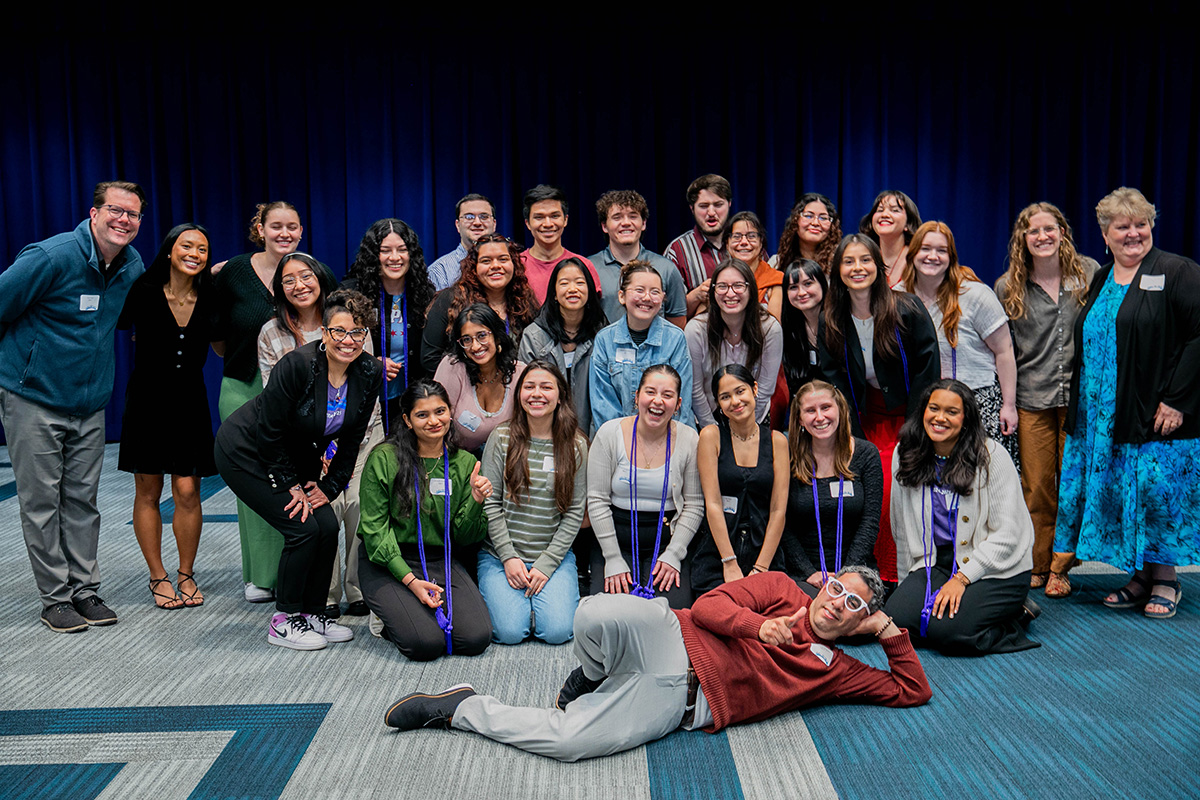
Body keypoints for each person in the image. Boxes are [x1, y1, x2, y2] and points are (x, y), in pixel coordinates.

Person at [383, 566, 931, 763]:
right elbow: (714, 604)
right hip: (672, 635)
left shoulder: (837, 667)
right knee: (592, 611)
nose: (838, 602)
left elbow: (912, 690)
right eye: (838, 589)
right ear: (825, 581)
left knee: (570, 743)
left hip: (684, 704)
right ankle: (593, 675)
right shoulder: (783, 588)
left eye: (855, 604)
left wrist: (888, 633)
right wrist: (755, 625)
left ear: (861, 619)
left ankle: (462, 707)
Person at [0, 181, 145, 632]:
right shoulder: (51, 256)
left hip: (89, 403)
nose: (125, 220)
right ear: (94, 213)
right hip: (33, 398)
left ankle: (85, 589)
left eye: (134, 215)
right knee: (42, 502)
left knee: (83, 501)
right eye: (116, 211)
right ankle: (55, 598)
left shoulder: (131, 265)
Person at [1055, 187, 1200, 620]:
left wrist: (1177, 400)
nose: (1133, 233)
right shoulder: (1101, 277)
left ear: (1152, 227)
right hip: (1103, 418)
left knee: (1155, 495)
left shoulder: (1177, 271)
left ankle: (1167, 579)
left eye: (1141, 224)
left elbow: (1198, 337)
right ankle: (1139, 577)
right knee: (1128, 495)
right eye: (1123, 226)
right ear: (1105, 233)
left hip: (1157, 413)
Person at [214, 291, 383, 650]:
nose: (348, 341)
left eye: (357, 333)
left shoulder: (370, 372)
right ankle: (284, 620)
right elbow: (270, 431)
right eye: (339, 332)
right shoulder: (297, 365)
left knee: (324, 523)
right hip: (246, 451)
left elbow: (352, 439)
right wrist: (289, 484)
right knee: (303, 528)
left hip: (293, 453)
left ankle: (313, 614)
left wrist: (330, 486)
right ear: (324, 333)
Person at [260, 252, 379, 619]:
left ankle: (360, 588)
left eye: (306, 275)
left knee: (359, 505)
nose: (300, 284)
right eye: (289, 279)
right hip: (303, 444)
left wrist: (338, 453)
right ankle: (322, 595)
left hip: (356, 441)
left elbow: (363, 397)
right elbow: (274, 406)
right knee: (322, 509)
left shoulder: (355, 323)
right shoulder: (274, 336)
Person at [819, 234, 940, 583]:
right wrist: (850, 436)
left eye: (865, 260)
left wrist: (916, 427)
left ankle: (893, 573)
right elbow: (834, 381)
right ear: (838, 270)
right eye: (849, 261)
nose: (858, 268)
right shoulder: (832, 318)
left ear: (878, 265)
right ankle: (856, 569)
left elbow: (927, 371)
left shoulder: (908, 308)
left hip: (909, 417)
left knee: (888, 487)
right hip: (861, 419)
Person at [886, 380, 1039, 654]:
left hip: (997, 567)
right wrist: (905, 585)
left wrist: (963, 578)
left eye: (951, 412)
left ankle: (1017, 616)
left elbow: (1009, 535)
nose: (940, 418)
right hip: (937, 561)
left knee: (949, 633)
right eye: (934, 408)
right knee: (899, 622)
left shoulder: (992, 456)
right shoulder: (905, 453)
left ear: (966, 418)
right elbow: (901, 525)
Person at [995, 203, 1099, 593]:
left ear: (1062, 232)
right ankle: (1037, 563)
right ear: (1023, 238)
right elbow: (1002, 349)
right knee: (1037, 485)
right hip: (1031, 398)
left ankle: (1061, 568)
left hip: (1080, 399)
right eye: (1033, 231)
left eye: (1049, 229)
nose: (1042, 236)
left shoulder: (1088, 274)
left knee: (1072, 484)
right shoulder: (1008, 286)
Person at [356, 379, 495, 660]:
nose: (434, 421)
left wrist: (476, 502)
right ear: (407, 420)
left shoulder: (464, 462)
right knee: (425, 645)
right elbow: (375, 532)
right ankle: (390, 613)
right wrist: (411, 582)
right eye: (422, 414)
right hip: (388, 561)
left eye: (440, 411)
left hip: (439, 560)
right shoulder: (384, 458)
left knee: (474, 639)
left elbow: (466, 537)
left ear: (450, 412)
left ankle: (410, 611)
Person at [117, 222, 216, 610]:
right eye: (187, 246)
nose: (194, 253)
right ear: (170, 250)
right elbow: (117, 325)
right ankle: (157, 576)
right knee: (149, 490)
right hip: (147, 402)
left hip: (191, 402)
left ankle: (186, 573)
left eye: (203, 249)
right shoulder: (141, 291)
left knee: (189, 490)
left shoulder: (210, 295)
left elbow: (224, 342)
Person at [211, 200, 305, 604]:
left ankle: (296, 570)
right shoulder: (233, 272)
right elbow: (216, 339)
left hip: (296, 394)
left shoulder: (309, 271)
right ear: (260, 229)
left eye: (293, 227)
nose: (285, 233)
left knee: (294, 477)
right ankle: (259, 576)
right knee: (252, 479)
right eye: (276, 226)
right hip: (243, 386)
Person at [479, 361, 588, 644]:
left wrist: (547, 563)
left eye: (546, 387)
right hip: (501, 556)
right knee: (510, 632)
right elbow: (490, 504)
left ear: (560, 396)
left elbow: (575, 511)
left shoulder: (575, 444)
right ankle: (519, 604)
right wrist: (508, 557)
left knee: (557, 632)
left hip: (552, 555)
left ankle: (534, 603)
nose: (536, 394)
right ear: (518, 395)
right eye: (529, 387)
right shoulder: (501, 438)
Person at [901, 221, 1020, 466]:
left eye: (941, 250)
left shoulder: (974, 294)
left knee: (979, 482)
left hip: (976, 403)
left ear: (951, 257)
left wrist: (1009, 405)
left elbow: (1005, 351)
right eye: (925, 249)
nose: (932, 256)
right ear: (912, 253)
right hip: (928, 409)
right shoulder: (899, 296)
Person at [587, 365, 703, 609]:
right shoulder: (609, 433)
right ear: (637, 396)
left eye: (667, 395)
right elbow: (596, 499)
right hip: (615, 537)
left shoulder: (690, 438)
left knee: (672, 614)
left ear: (679, 403)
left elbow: (694, 505)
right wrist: (612, 556)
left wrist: (674, 555)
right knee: (611, 614)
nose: (657, 401)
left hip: (666, 539)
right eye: (650, 392)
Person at [690, 365, 789, 593]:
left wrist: (760, 569)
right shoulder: (711, 437)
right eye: (725, 397)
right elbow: (713, 503)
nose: (735, 401)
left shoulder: (777, 442)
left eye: (740, 391)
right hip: (718, 552)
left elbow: (778, 511)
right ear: (718, 404)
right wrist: (729, 562)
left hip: (765, 552)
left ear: (754, 389)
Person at [782, 381, 883, 593]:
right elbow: (782, 524)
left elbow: (870, 522)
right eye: (810, 411)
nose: (819, 417)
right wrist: (808, 572)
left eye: (826, 407)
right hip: (803, 575)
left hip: (856, 571)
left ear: (840, 409)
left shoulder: (866, 454)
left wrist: (846, 573)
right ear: (800, 419)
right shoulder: (787, 457)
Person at [343, 218, 436, 427]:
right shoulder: (352, 294)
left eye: (402, 249)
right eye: (385, 250)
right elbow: (336, 345)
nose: (395, 257)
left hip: (411, 402)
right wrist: (371, 362)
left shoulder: (425, 293)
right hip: (364, 400)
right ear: (374, 256)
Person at [590, 262, 694, 433]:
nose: (647, 298)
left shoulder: (675, 339)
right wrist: (627, 442)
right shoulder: (605, 340)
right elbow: (603, 404)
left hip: (668, 437)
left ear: (662, 298)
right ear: (622, 296)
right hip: (618, 440)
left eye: (654, 292)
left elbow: (681, 402)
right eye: (639, 290)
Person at [685, 258, 783, 428]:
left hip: (755, 417)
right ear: (713, 292)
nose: (730, 294)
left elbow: (765, 388)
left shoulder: (769, 328)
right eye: (722, 286)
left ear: (751, 289)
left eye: (738, 285)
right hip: (709, 418)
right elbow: (695, 390)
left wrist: (746, 425)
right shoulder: (695, 330)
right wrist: (712, 429)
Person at [421, 233, 538, 373]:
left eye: (503, 259)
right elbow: (429, 358)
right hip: (464, 389)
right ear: (474, 267)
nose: (495, 266)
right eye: (486, 261)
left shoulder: (524, 302)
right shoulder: (451, 299)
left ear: (514, 265)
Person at [517, 258, 607, 436]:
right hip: (544, 433)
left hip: (592, 433)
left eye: (580, 283)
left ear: (590, 290)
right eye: (564, 283)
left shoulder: (603, 335)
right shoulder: (533, 335)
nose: (573, 289)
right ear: (554, 294)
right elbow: (525, 390)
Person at [434, 304, 526, 454]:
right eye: (467, 339)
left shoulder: (520, 373)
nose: (475, 346)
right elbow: (436, 421)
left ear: (497, 336)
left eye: (482, 336)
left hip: (505, 461)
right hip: (456, 460)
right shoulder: (452, 367)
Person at [588, 189, 687, 327]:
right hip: (604, 348)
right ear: (604, 226)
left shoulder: (666, 268)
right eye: (617, 217)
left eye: (633, 216)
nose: (626, 223)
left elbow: (677, 324)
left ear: (644, 224)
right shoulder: (589, 268)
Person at [519, 184, 602, 304]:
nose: (548, 224)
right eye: (539, 217)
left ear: (565, 220)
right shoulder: (515, 266)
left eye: (555, 216)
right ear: (527, 223)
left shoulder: (584, 265)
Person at [664, 174, 732, 317]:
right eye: (703, 206)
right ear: (692, 208)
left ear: (729, 204)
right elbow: (666, 313)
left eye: (718, 205)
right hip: (699, 336)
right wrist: (696, 296)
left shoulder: (747, 244)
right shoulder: (677, 251)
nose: (711, 213)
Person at [427, 194, 498, 291]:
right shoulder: (439, 271)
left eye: (484, 217)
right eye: (469, 217)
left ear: (494, 224)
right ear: (458, 225)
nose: (477, 222)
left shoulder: (507, 265)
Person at [780, 258, 827, 394]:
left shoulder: (839, 322)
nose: (801, 292)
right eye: (793, 287)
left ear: (823, 284)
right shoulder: (789, 328)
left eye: (808, 284)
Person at [724, 211, 783, 319]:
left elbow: (773, 329)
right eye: (737, 236)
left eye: (751, 236)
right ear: (727, 244)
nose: (744, 242)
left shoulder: (775, 281)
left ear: (761, 242)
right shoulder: (719, 281)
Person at [857, 190, 922, 288]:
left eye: (895, 210)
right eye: (880, 210)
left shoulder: (919, 259)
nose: (885, 215)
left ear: (908, 224)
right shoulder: (862, 256)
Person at [774, 192, 841, 273]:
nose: (815, 223)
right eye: (808, 216)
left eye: (823, 218)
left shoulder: (840, 262)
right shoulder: (777, 263)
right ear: (795, 220)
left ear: (832, 226)